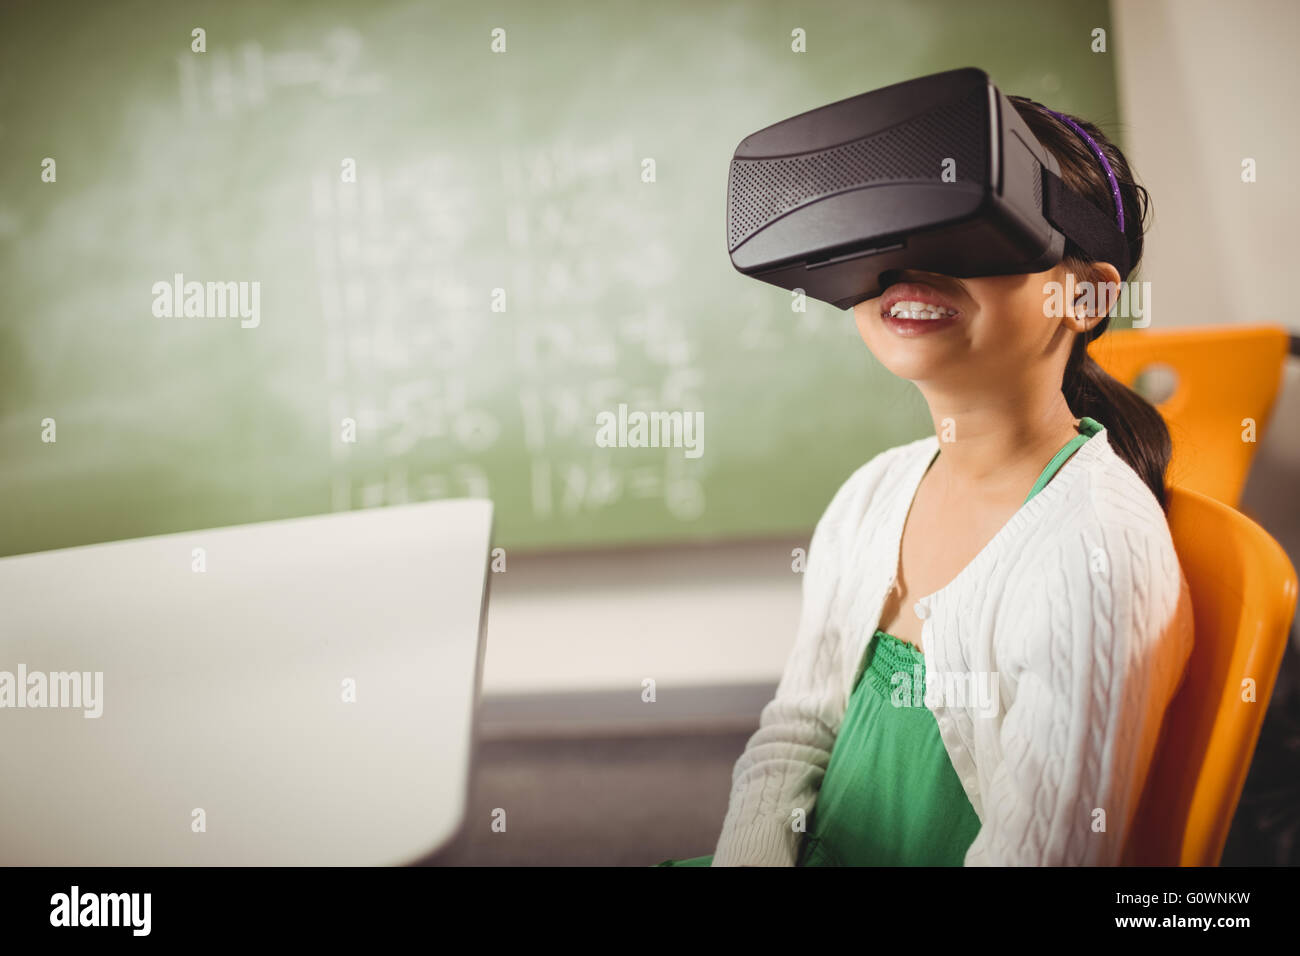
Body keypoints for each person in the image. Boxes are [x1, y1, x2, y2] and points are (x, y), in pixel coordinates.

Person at [658, 94, 1193, 867]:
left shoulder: (1094, 551)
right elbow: (796, 732)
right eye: (883, 235)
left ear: (1085, 295)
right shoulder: (873, 493)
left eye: (968, 234)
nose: (909, 267)